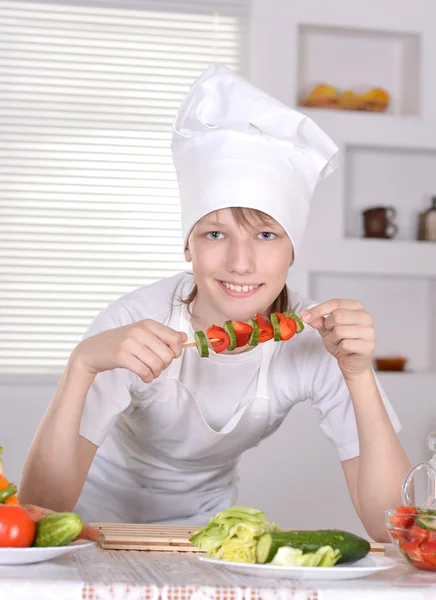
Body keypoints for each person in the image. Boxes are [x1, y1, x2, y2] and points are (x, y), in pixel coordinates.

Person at [20, 64, 410, 541]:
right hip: (90, 525)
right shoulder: (135, 320)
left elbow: (391, 527)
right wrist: (81, 365)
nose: (240, 263)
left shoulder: (316, 338)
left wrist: (357, 374)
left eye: (266, 235)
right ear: (188, 247)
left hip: (210, 534)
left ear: (293, 249)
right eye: (214, 233)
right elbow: (41, 508)